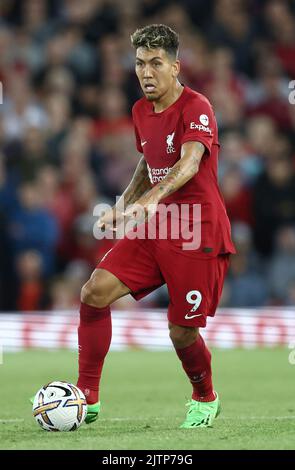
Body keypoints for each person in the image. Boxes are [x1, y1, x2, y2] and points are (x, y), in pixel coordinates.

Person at [77, 24, 236, 428]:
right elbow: (148, 163)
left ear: (175, 66)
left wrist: (152, 198)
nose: (146, 72)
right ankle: (87, 397)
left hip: (196, 229)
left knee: (180, 332)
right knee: (94, 292)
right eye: (139, 63)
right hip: (158, 226)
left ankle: (205, 395)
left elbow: (189, 162)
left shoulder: (197, 106)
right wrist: (125, 203)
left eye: (155, 63)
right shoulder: (139, 111)